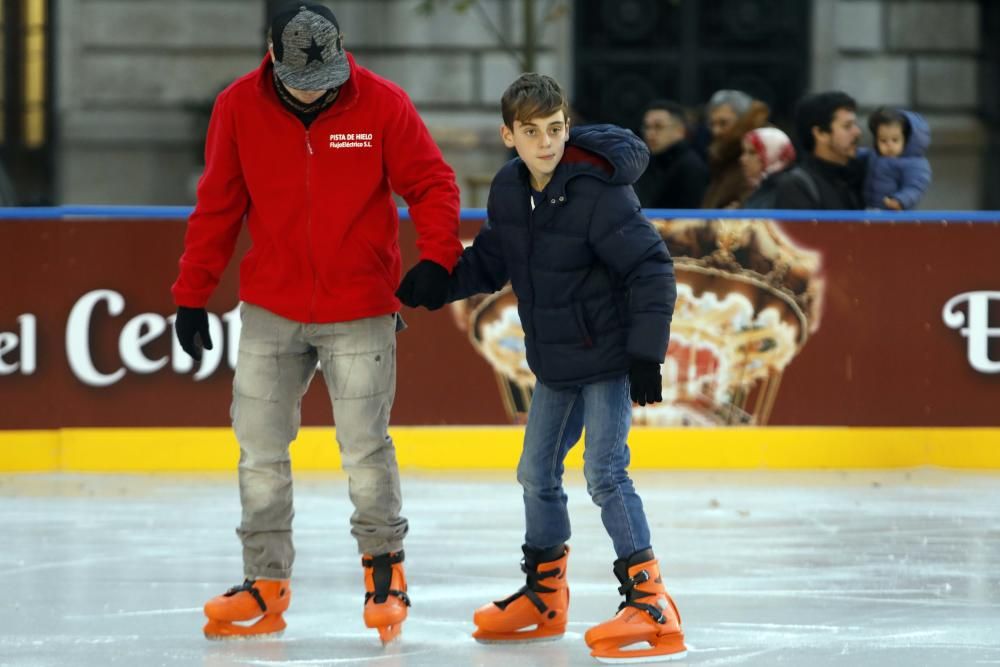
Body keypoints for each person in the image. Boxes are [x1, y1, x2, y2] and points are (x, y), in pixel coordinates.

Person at [171, 2, 462, 643]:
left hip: (359, 308)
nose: (314, 87)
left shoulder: (381, 103)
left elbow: (434, 184)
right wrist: (192, 294)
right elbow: (218, 205)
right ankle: (264, 582)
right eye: (302, 75)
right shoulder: (237, 107)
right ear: (271, 53)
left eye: (326, 73)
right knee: (260, 453)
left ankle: (385, 574)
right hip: (272, 309)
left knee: (364, 450)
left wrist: (438, 258)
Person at [399, 73, 686, 662]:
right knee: (536, 473)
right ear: (510, 135)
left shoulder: (600, 190)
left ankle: (651, 599)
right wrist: (442, 278)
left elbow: (652, 269)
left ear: (566, 126)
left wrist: (645, 355)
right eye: (532, 133)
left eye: (555, 129)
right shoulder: (509, 189)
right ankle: (545, 593)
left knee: (605, 473)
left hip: (607, 358)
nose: (547, 143)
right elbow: (496, 259)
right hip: (556, 361)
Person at [774, 91, 866, 210]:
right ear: (820, 134)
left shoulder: (860, 177)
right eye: (847, 126)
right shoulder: (798, 186)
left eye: (855, 125)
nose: (857, 132)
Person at [701, 89, 770, 208]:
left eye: (723, 123)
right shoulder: (722, 160)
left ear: (744, 121)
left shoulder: (760, 158)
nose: (716, 131)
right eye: (712, 124)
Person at [633, 100, 708, 209]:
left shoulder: (690, 167)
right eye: (647, 127)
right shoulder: (646, 164)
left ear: (680, 130)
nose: (650, 133)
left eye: (658, 127)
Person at [863, 107, 932, 210]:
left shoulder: (914, 163)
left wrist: (901, 200)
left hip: (896, 214)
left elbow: (915, 187)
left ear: (906, 139)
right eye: (883, 140)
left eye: (895, 140)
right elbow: (863, 154)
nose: (889, 145)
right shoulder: (875, 155)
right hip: (871, 211)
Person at [738, 127, 797, 209]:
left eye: (752, 153)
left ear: (771, 154)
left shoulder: (788, 192)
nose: (743, 159)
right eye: (744, 152)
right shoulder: (759, 187)